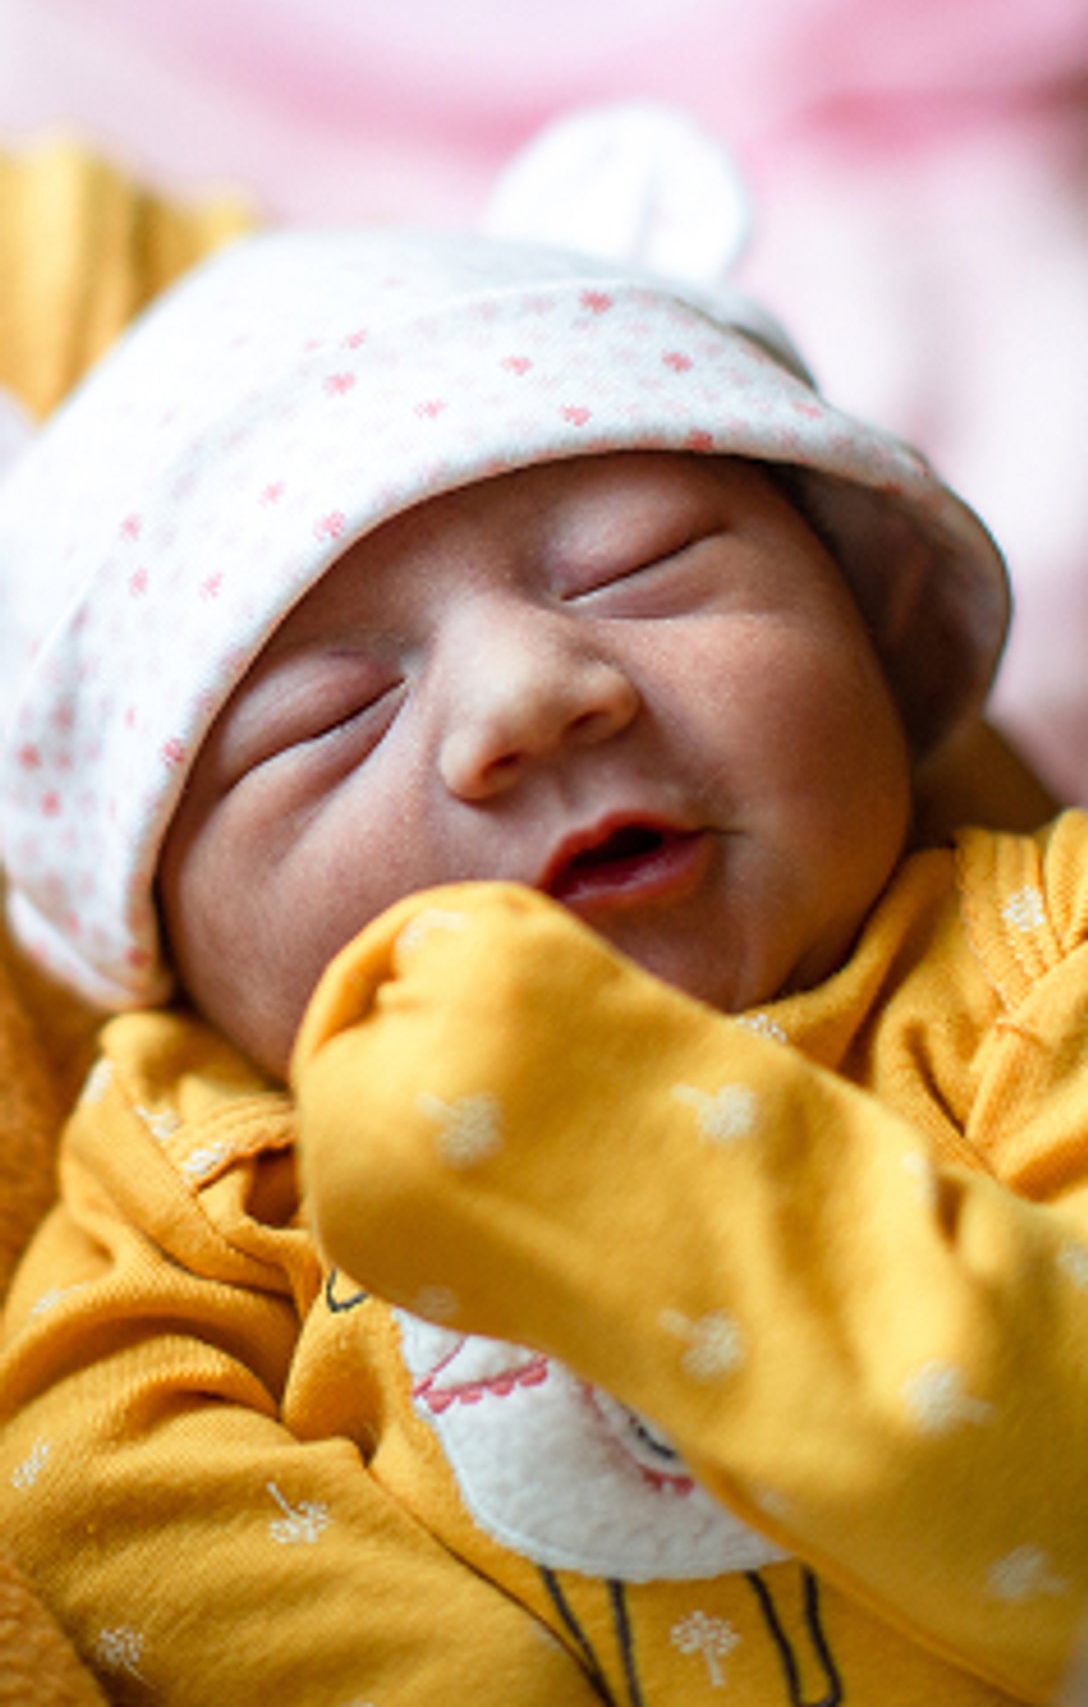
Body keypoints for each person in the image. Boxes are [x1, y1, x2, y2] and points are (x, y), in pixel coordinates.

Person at [0, 166, 1085, 1707]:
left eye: (643, 567)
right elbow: (91, 1489)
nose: (532, 690)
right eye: (330, 716)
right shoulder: (190, 1176)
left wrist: (602, 1121)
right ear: (164, 932)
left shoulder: (1032, 952)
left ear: (870, 628)